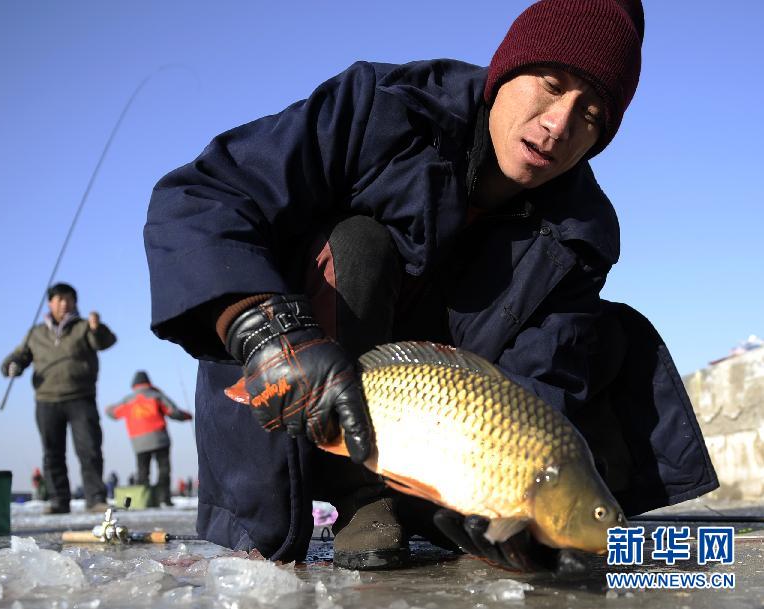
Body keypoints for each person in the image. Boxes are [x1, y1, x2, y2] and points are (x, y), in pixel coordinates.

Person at [143, 0, 718, 571]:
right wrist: (260, 325)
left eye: (591, 115)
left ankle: (408, 506)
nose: (559, 124)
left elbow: (542, 377)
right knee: (358, 243)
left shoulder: (582, 232)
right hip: (290, 388)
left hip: (436, 436)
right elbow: (203, 195)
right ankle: (345, 494)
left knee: (612, 341)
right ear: (504, 71)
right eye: (549, 85)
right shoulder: (382, 106)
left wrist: (504, 500)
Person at [1, 282, 116, 514]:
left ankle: (95, 499)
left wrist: (97, 327)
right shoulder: (36, 333)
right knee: (52, 452)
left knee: (90, 449)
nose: (64, 303)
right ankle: (58, 500)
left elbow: (104, 342)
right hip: (46, 400)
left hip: (81, 397)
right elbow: (18, 357)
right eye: (59, 299)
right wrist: (12, 366)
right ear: (50, 303)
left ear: (75, 303)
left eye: (69, 299)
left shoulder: (84, 327)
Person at [105, 371, 193, 506]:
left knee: (142, 472)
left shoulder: (128, 400)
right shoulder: (156, 396)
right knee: (163, 470)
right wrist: (187, 416)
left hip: (139, 442)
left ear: (134, 384)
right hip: (160, 439)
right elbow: (173, 412)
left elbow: (113, 412)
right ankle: (164, 499)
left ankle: (143, 500)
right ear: (149, 382)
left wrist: (107, 408)